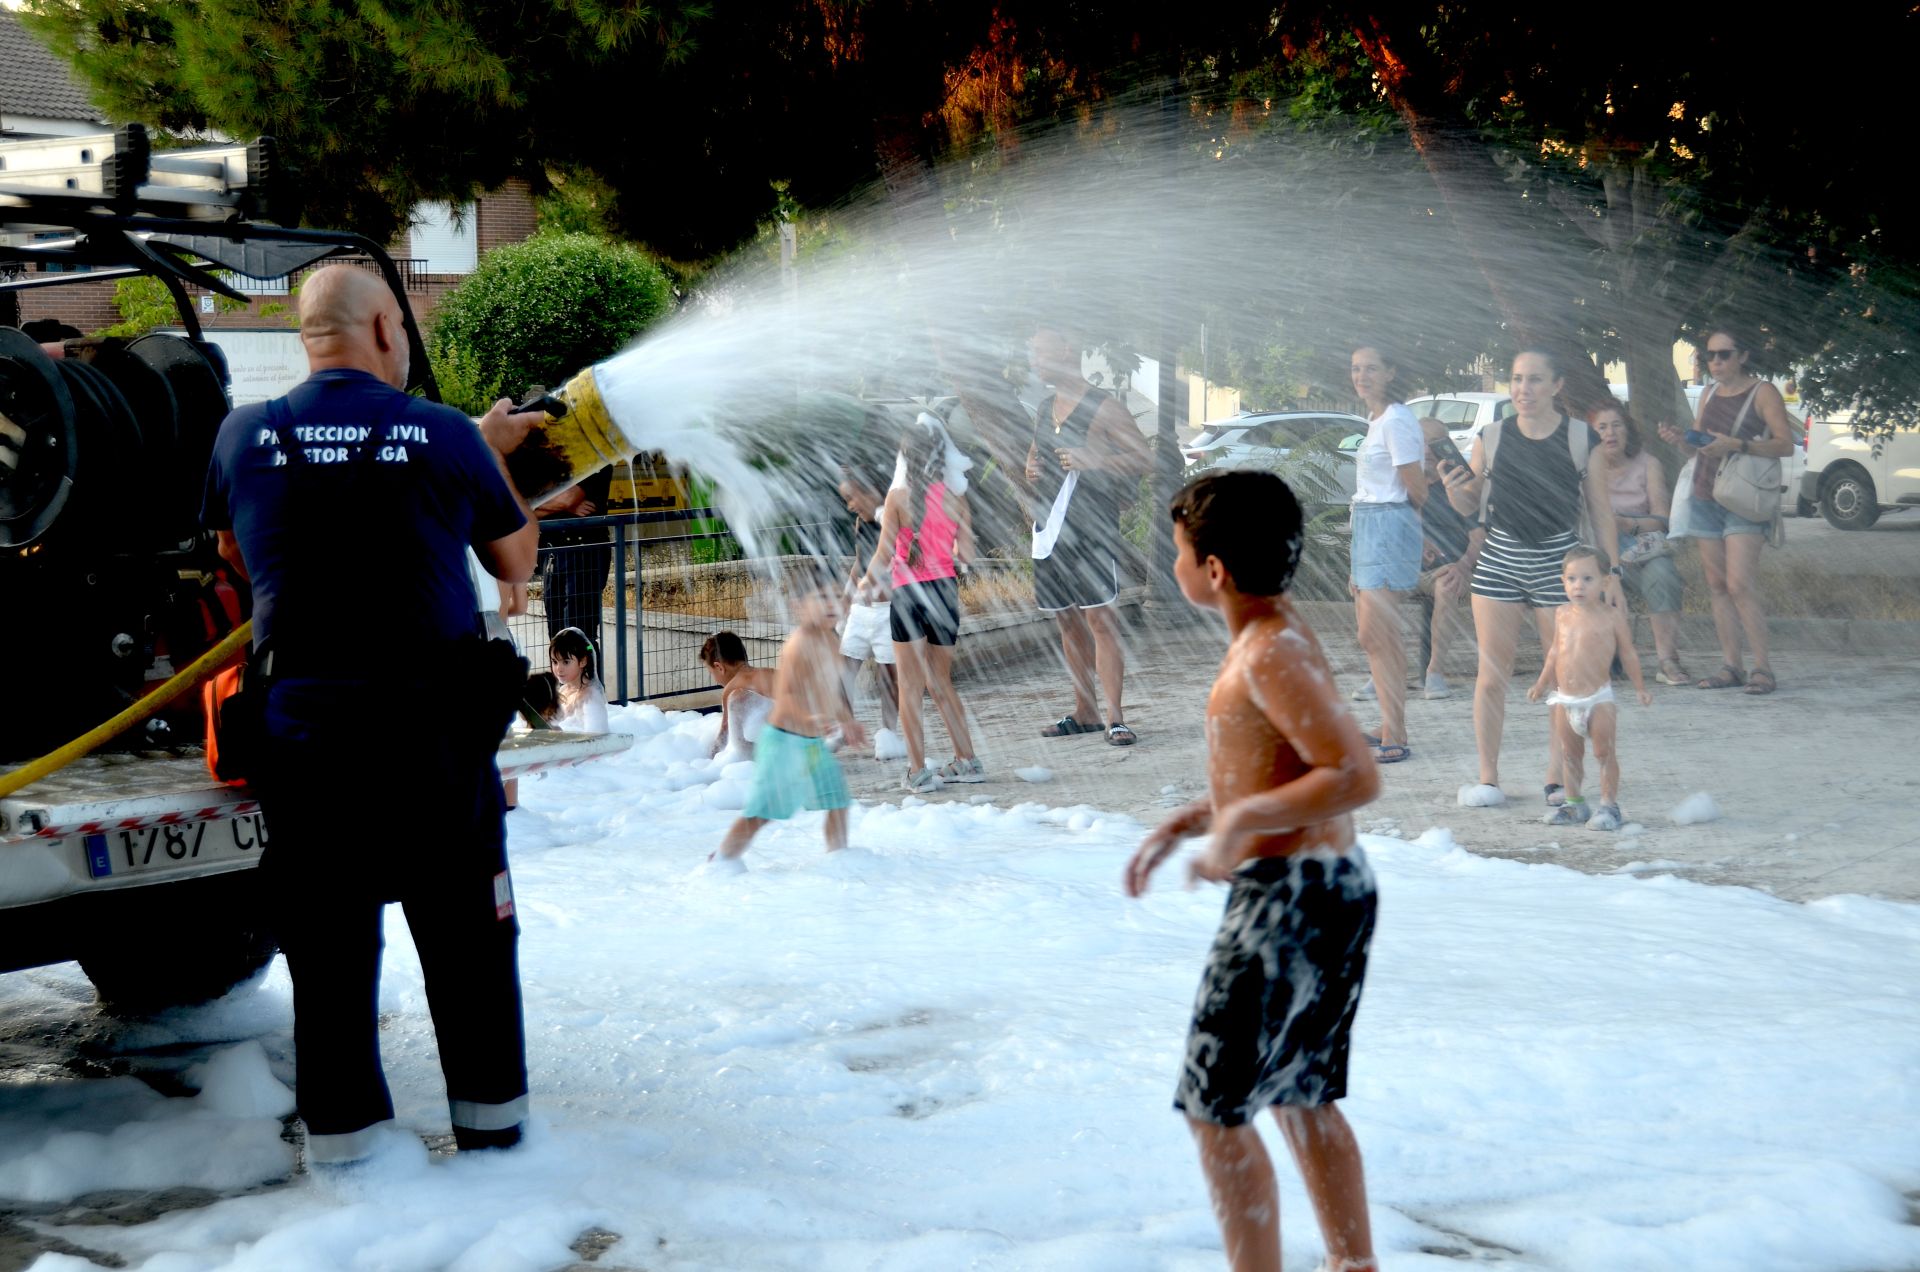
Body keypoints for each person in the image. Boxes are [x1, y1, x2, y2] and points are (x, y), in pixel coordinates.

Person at [201, 264, 540, 1165]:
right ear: (388, 330)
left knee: (330, 945)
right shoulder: (442, 435)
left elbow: (235, 551)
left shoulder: (244, 434)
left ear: (308, 335)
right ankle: (494, 1135)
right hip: (432, 737)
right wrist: (488, 450)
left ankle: (348, 1153)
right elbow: (514, 561)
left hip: (303, 737)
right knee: (468, 936)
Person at [1125, 470, 1382, 1272]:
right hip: (1330, 887)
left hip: (1289, 901)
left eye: (1178, 551)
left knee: (1215, 1106)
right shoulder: (1280, 637)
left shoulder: (1270, 652)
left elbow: (1354, 774)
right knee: (1303, 1095)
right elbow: (1291, 767)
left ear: (1215, 572)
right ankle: (1353, 1266)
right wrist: (1204, 815)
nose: (1174, 565)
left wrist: (1239, 819)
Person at [1441, 348, 1618, 809]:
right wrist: (1453, 492)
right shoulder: (1493, 435)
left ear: (1557, 385)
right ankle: (1488, 778)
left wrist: (1611, 574)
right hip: (1500, 558)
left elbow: (1601, 511)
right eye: (1517, 380)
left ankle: (1556, 776)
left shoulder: (1582, 438)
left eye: (1535, 380)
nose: (1524, 389)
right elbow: (1469, 505)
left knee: (1562, 676)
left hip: (1559, 566)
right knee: (1490, 675)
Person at [1025, 324, 1151, 747]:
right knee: (1066, 619)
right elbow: (1034, 457)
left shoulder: (1104, 406)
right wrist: (1033, 469)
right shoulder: (1045, 407)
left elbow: (1144, 458)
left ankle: (1116, 717)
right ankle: (1085, 711)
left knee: (1101, 620)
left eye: (1040, 352)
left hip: (1092, 528)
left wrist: (1094, 458)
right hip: (1049, 528)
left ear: (1066, 349)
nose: (1034, 361)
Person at [1658, 325, 1795, 696]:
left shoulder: (1763, 392)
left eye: (1724, 354)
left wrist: (1739, 445)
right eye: (1709, 356)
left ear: (1743, 356)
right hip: (1706, 493)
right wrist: (1682, 441)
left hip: (1744, 498)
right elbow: (1702, 447)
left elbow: (1785, 445)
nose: (1715, 362)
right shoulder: (1709, 393)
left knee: (1739, 584)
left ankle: (1762, 668)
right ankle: (1731, 665)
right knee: (1718, 586)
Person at [861, 422, 983, 792]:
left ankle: (917, 772)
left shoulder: (898, 498)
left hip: (909, 596)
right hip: (945, 594)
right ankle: (968, 760)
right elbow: (968, 554)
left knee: (911, 687)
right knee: (941, 683)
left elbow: (884, 554)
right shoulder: (956, 498)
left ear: (904, 457)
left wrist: (865, 584)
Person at [712, 578, 868, 863]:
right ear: (799, 607)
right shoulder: (797, 646)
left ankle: (841, 862)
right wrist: (811, 717)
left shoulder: (832, 641)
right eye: (821, 597)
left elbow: (833, 690)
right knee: (761, 813)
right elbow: (785, 700)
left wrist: (846, 720)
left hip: (811, 745)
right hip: (783, 744)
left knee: (837, 801)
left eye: (836, 596)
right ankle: (721, 861)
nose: (831, 604)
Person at [1527, 547, 1653, 831]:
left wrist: (1640, 687)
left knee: (1603, 752)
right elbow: (1555, 654)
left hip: (1598, 698)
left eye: (1587, 579)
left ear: (1605, 582)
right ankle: (1575, 804)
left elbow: (1629, 653)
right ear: (1563, 581)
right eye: (1572, 579)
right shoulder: (1561, 613)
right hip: (1565, 699)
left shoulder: (1611, 616)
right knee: (1569, 755)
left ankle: (1609, 805)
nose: (1579, 586)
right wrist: (1541, 682)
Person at [1346, 344, 1427, 762]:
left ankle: (1397, 731)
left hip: (1389, 526)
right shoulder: (1376, 419)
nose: (1362, 376)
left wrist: (1409, 534)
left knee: (1380, 634)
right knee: (1373, 635)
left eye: (1372, 368)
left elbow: (1417, 489)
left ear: (1391, 372)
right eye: (1357, 369)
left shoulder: (1397, 420)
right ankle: (1390, 722)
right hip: (1367, 528)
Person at [1590, 403, 1690, 686]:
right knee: (1587, 577)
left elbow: (1662, 519)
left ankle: (1667, 660)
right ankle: (1605, 655)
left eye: (1617, 425)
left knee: (1663, 575)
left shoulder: (1648, 464)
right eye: (1602, 427)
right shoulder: (1586, 468)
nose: (1610, 433)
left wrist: (1628, 524)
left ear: (1628, 431)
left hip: (1641, 543)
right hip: (1599, 548)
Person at [1412, 417, 1484, 700]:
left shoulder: (1460, 484)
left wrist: (1463, 566)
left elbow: (1480, 537)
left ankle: (1435, 672)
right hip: (1406, 569)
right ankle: (1377, 672)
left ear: (1447, 446)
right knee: (1373, 589)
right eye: (1421, 443)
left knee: (1447, 585)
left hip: (1450, 569)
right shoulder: (1404, 481)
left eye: (1435, 443)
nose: (1427, 451)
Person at [836, 465, 903, 758]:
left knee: (888, 676)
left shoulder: (892, 520)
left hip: (888, 610)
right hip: (862, 610)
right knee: (844, 671)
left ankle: (889, 734)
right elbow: (860, 562)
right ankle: (845, 729)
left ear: (870, 491)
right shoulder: (861, 524)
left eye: (852, 498)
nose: (851, 506)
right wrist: (846, 595)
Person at [535, 464, 615, 648]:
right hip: (552, 552)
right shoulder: (549, 459)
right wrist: (565, 506)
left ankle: (588, 674)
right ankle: (566, 673)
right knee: (556, 637)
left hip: (584, 551)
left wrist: (548, 500)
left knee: (580, 634)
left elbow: (568, 497)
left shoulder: (595, 458)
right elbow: (524, 505)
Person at [703, 630, 778, 759]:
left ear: (719, 667)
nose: (714, 678)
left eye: (711, 672)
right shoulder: (772, 674)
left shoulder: (732, 690)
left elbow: (725, 738)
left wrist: (710, 758)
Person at [549, 626, 609, 733]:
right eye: (555, 662)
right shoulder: (565, 690)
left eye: (566, 662)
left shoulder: (590, 698)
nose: (558, 669)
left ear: (582, 661)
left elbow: (597, 740)